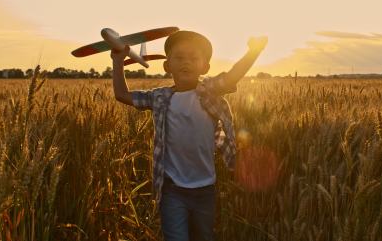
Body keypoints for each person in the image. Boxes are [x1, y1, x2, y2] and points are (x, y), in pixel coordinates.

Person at [110, 30, 268, 241]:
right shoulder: (160, 98)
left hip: (205, 190)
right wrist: (118, 61)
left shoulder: (209, 91)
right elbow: (122, 95)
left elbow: (233, 74)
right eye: (179, 57)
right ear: (167, 66)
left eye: (194, 58)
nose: (187, 62)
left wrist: (254, 51)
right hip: (172, 191)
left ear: (205, 67)